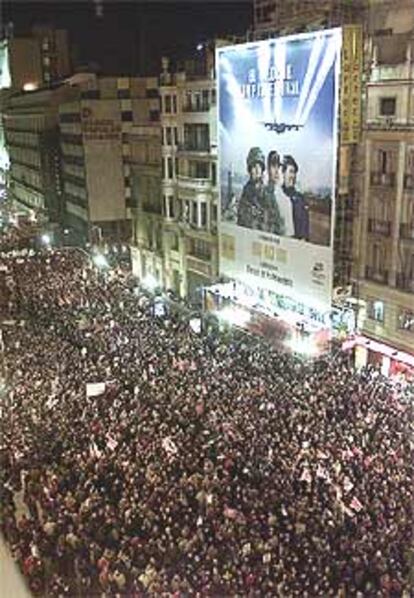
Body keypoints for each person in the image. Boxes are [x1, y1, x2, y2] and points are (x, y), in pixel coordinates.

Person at [237, 147, 267, 230]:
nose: (257, 170)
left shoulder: (267, 193)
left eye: (259, 166)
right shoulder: (246, 193)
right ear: (250, 170)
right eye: (254, 167)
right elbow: (241, 220)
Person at [264, 151, 293, 236]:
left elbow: (288, 235)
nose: (277, 171)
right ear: (268, 168)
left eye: (279, 167)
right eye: (273, 166)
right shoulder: (260, 194)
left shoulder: (285, 201)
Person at [281, 155, 310, 241]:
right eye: (290, 172)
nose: (293, 176)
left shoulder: (300, 200)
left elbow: (305, 230)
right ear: (283, 173)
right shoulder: (276, 196)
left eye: (294, 173)